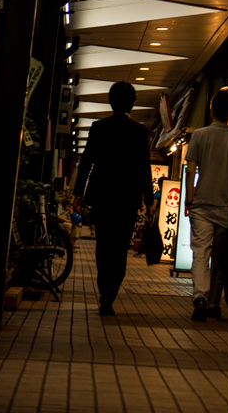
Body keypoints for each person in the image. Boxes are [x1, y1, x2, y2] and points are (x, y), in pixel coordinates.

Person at [74, 81, 153, 316]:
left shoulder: (98, 127)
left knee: (103, 245)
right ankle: (110, 294)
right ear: (133, 102)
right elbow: (144, 168)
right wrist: (149, 200)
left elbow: (86, 161)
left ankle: (103, 289)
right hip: (127, 199)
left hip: (102, 197)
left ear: (110, 101)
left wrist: (79, 192)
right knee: (120, 247)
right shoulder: (139, 131)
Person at [184, 90, 228, 321]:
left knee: (200, 252)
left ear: (211, 110)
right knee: (222, 256)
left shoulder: (199, 136)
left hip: (201, 204)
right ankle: (213, 303)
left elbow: (191, 170)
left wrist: (189, 200)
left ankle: (199, 297)